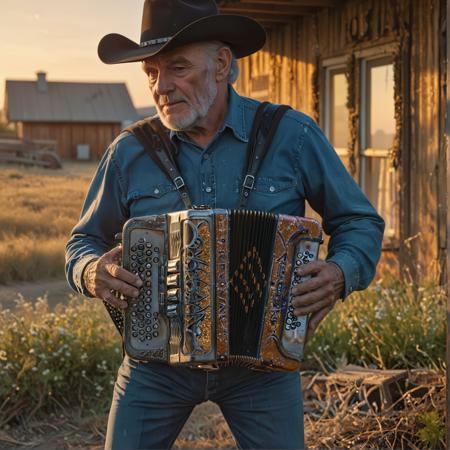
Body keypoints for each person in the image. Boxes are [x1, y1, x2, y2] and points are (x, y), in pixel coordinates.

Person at [65, 1, 384, 448]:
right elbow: (83, 242)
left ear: (221, 65)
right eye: (151, 73)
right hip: (155, 366)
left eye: (177, 67)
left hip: (263, 366)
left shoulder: (291, 134)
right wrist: (90, 271)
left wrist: (340, 273)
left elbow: (359, 220)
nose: (162, 86)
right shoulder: (129, 152)